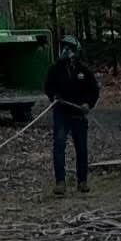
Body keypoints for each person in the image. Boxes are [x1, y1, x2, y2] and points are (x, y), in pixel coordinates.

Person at [44, 36, 100, 195]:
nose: (66, 50)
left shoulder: (84, 70)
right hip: (61, 113)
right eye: (63, 47)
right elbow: (48, 87)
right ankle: (60, 182)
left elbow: (94, 90)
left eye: (69, 47)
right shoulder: (55, 69)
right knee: (59, 145)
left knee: (81, 147)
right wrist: (54, 96)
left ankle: (82, 181)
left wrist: (88, 104)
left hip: (78, 114)